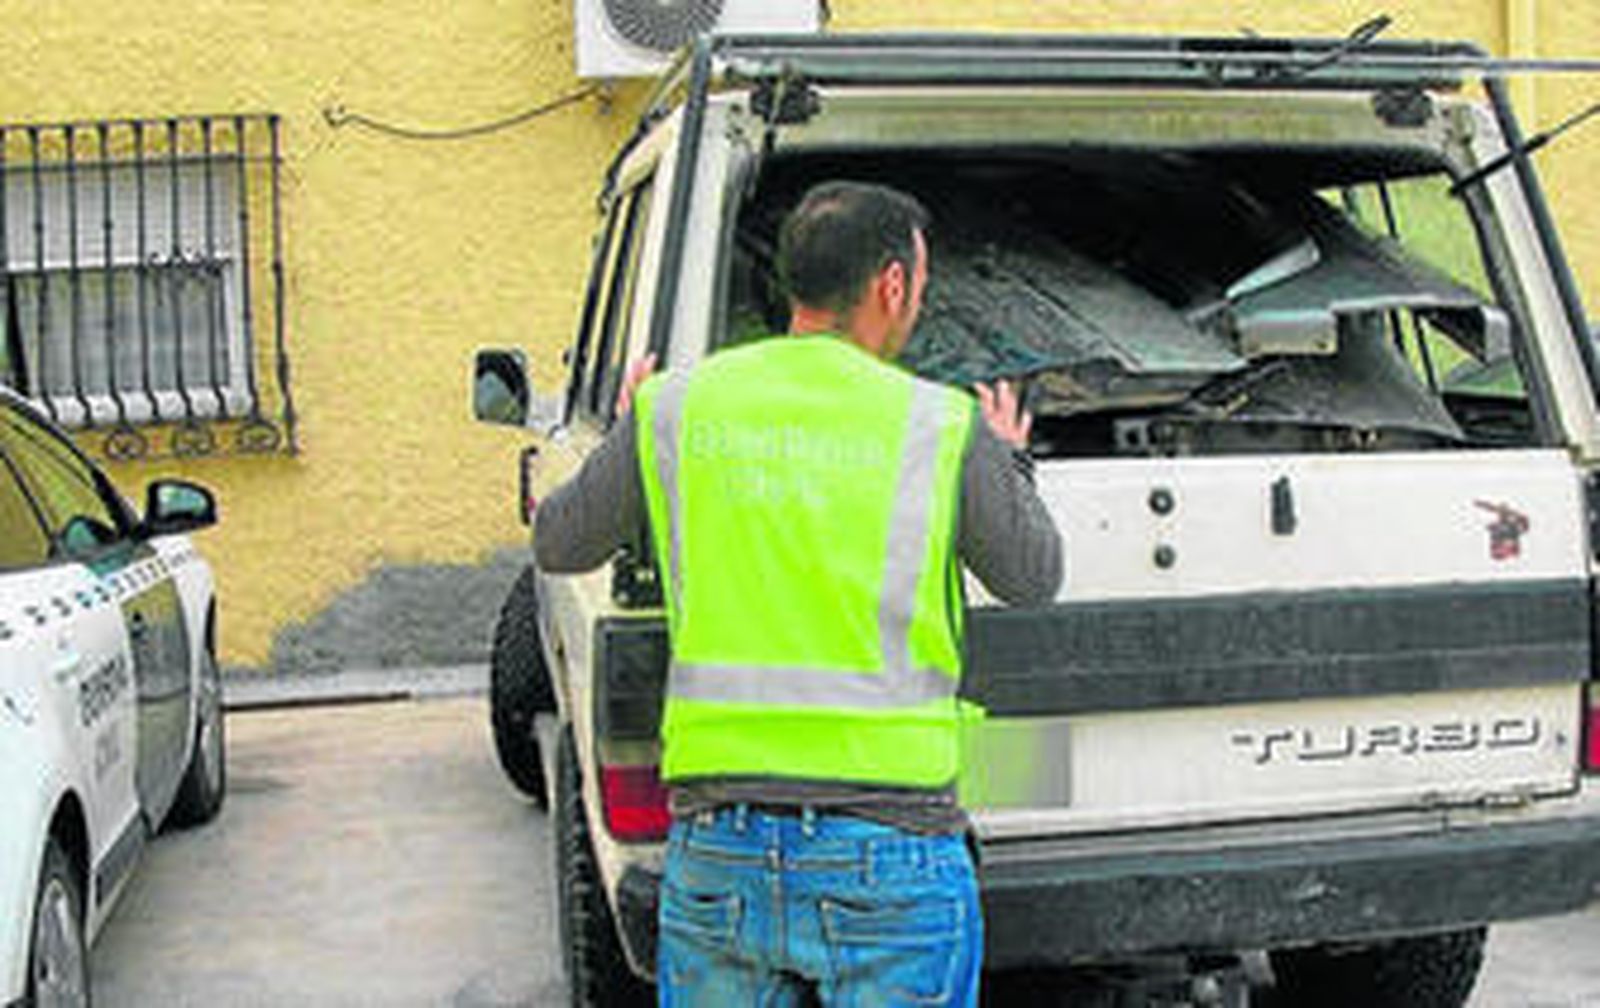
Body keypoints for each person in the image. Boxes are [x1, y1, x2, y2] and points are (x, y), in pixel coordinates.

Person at [534, 181, 1063, 1007]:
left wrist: (633, 428)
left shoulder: (676, 409)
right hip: (890, 854)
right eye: (921, 285)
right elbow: (1032, 576)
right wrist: (1011, 460)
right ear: (892, 284)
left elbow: (559, 542)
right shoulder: (939, 423)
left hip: (720, 849)